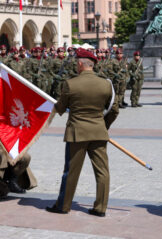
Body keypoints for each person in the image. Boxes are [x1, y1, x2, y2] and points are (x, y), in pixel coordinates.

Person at [46, 48, 119, 217]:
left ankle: (63, 206)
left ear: (80, 64)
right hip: (99, 132)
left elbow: (61, 108)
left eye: (76, 62)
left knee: (71, 171)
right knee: (102, 171)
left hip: (77, 133)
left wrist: (54, 105)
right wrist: (102, 126)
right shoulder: (106, 84)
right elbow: (114, 110)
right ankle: (100, 208)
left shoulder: (71, 84)